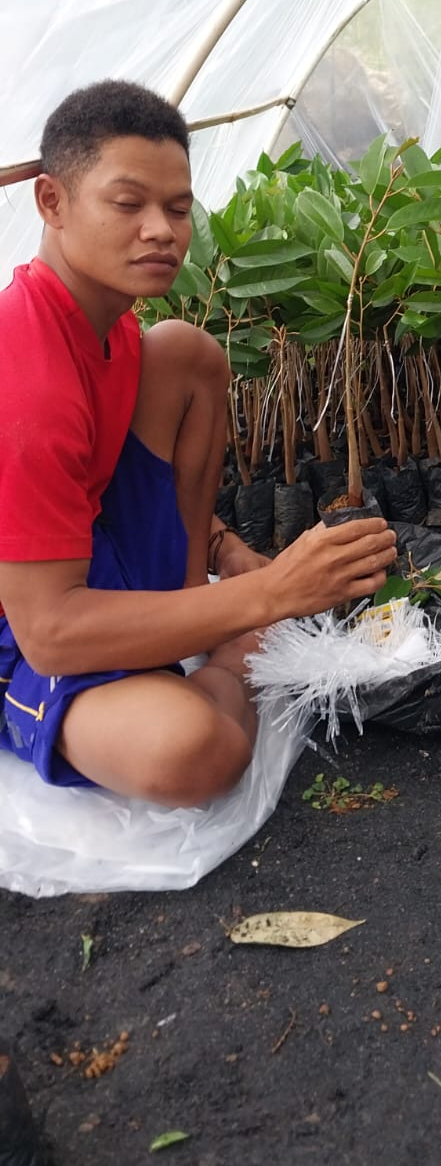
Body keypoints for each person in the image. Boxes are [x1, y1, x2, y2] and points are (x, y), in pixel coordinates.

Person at [0, 81, 396, 807]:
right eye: (128, 204)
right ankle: (224, 653)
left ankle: (183, 621)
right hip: (24, 624)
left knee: (185, 352)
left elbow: (90, 479)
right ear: (52, 202)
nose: (161, 230)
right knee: (188, 752)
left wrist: (221, 549)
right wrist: (267, 596)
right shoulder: (24, 379)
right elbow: (49, 633)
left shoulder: (110, 325)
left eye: (178, 209)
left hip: (82, 558)